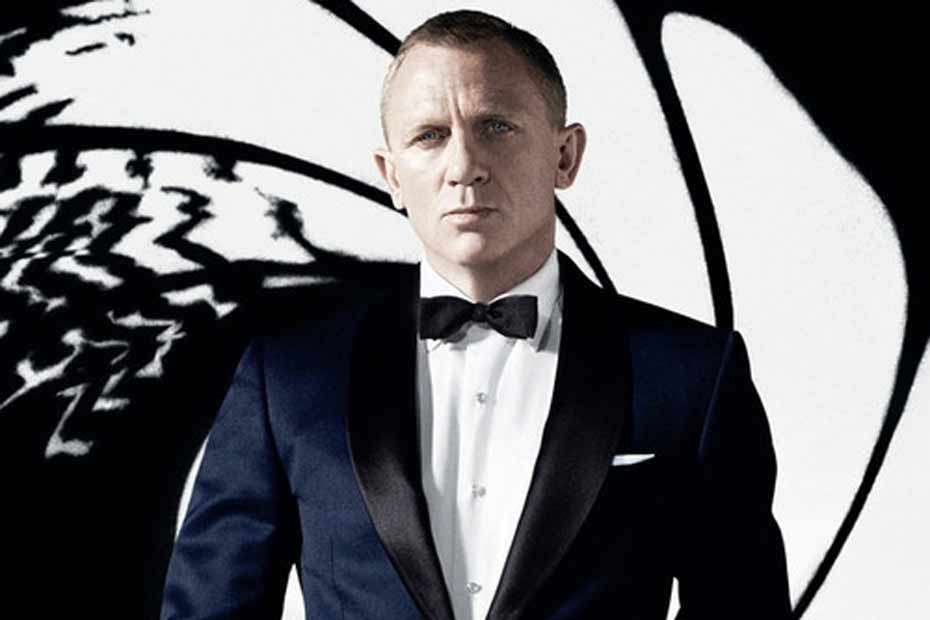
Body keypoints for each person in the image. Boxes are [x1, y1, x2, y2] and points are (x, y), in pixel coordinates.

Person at [161, 10, 791, 620]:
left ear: (565, 155)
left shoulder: (693, 375)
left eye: (496, 126)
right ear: (391, 176)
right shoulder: (287, 374)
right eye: (430, 136)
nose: (465, 167)